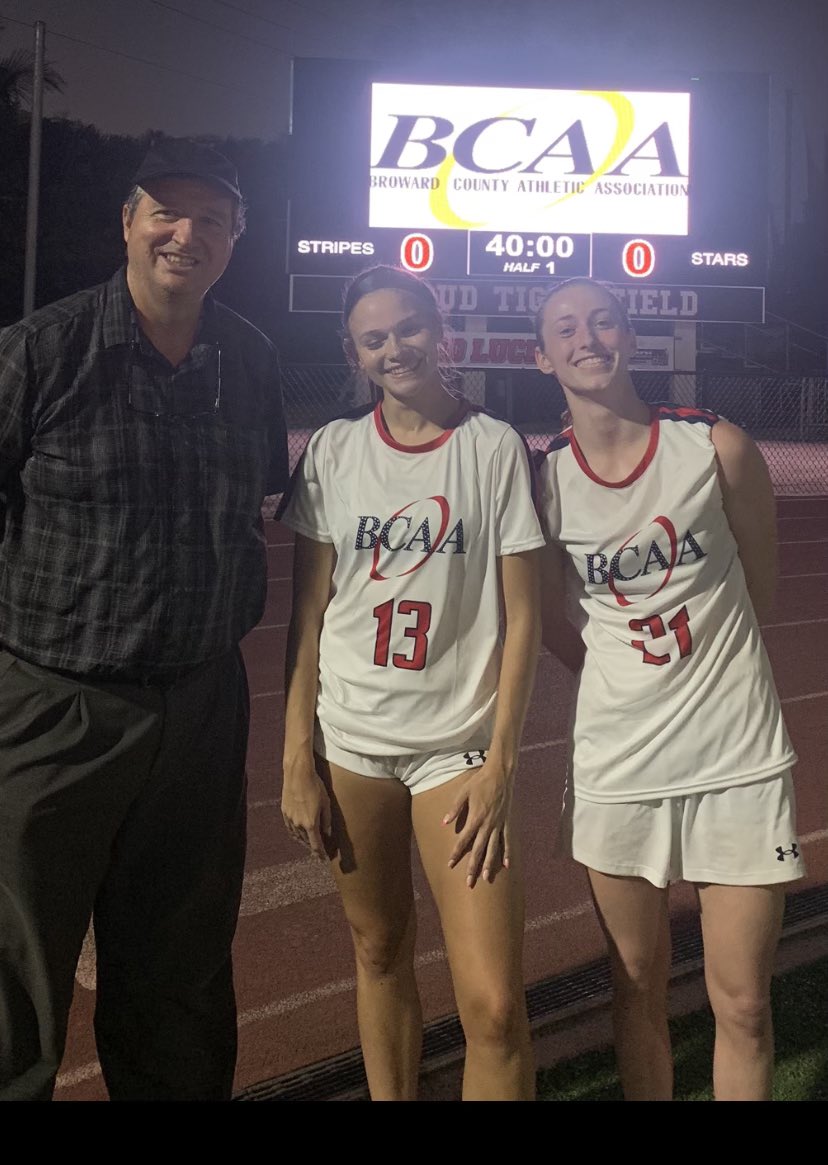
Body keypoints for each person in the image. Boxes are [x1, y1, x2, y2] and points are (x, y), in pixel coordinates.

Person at [0, 137, 289, 1101]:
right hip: (56, 703)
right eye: (166, 212)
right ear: (126, 223)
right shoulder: (42, 350)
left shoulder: (246, 358)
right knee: (16, 968)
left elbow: (265, 504)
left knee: (183, 969)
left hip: (202, 705)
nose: (186, 233)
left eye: (212, 219)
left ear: (235, 240)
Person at [533, 276, 804, 1102]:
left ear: (632, 339)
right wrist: (630, 683)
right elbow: (554, 624)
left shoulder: (716, 445)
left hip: (737, 758)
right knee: (636, 987)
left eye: (605, 320)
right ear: (542, 358)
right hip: (622, 767)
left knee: (746, 1003)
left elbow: (759, 590)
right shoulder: (542, 481)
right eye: (567, 328)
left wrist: (704, 677)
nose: (589, 338)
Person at [278, 264, 544, 1101]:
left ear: (441, 328)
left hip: (456, 750)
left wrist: (503, 763)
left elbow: (525, 618)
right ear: (354, 354)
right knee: (379, 951)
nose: (396, 348)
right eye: (374, 337)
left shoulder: (495, 445)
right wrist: (296, 757)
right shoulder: (334, 448)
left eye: (409, 328)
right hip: (353, 742)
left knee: (496, 1005)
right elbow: (309, 613)